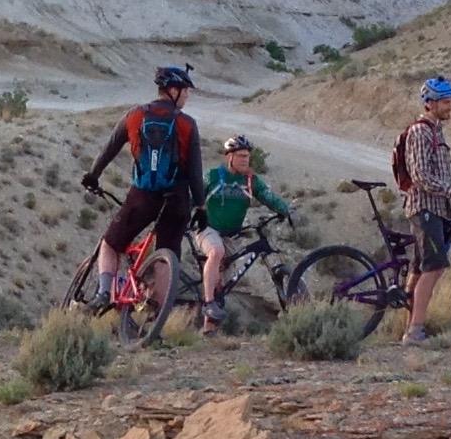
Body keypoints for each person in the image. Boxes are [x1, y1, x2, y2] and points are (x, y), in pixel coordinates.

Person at [79, 65, 203, 305]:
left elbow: (109, 149)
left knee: (111, 243)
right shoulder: (187, 124)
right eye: (186, 91)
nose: (187, 96)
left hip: (143, 196)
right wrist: (201, 206)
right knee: (168, 253)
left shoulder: (135, 115)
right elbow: (195, 171)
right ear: (173, 90)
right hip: (177, 199)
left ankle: (103, 293)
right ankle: (157, 311)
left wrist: (93, 175)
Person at [399, 76, 451, 344]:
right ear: (429, 103)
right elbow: (420, 176)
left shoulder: (437, 131)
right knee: (435, 266)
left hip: (437, 209)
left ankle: (409, 327)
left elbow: (441, 175)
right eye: (445, 101)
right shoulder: (420, 132)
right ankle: (415, 331)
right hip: (424, 207)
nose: (450, 105)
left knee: (420, 269)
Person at [193, 135, 293, 330]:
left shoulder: (251, 180)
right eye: (240, 156)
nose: (245, 160)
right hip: (208, 230)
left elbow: (268, 196)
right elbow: (194, 195)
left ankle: (208, 331)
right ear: (229, 157)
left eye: (247, 156)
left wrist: (286, 210)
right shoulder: (212, 176)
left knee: (222, 286)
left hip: (232, 236)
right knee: (216, 252)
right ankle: (208, 303)